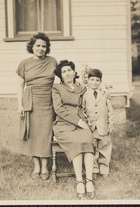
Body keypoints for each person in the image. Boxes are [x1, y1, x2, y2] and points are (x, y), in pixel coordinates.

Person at [16, 32, 57, 181]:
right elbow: (20, 86)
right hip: (30, 102)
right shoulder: (24, 63)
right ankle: (36, 167)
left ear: (47, 48)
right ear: (32, 47)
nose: (41, 48)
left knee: (45, 135)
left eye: (44, 46)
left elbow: (65, 77)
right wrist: (19, 105)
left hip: (48, 102)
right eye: (38, 45)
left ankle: (45, 167)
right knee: (33, 135)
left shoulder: (52, 61)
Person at [52, 60, 95, 199]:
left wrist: (86, 122)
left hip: (82, 123)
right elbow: (59, 110)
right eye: (64, 71)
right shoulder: (56, 88)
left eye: (69, 70)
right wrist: (78, 122)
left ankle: (89, 180)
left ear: (74, 72)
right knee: (76, 142)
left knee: (88, 140)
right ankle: (79, 181)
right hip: (64, 125)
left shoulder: (80, 87)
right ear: (61, 75)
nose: (67, 73)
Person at [82, 69, 114, 178]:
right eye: (92, 80)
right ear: (88, 80)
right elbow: (82, 110)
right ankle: (94, 170)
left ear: (100, 81)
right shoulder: (85, 94)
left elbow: (110, 110)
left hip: (103, 126)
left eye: (97, 80)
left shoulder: (104, 94)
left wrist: (110, 124)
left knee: (104, 148)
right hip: (91, 127)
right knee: (92, 149)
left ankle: (104, 170)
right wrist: (86, 123)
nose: (94, 82)